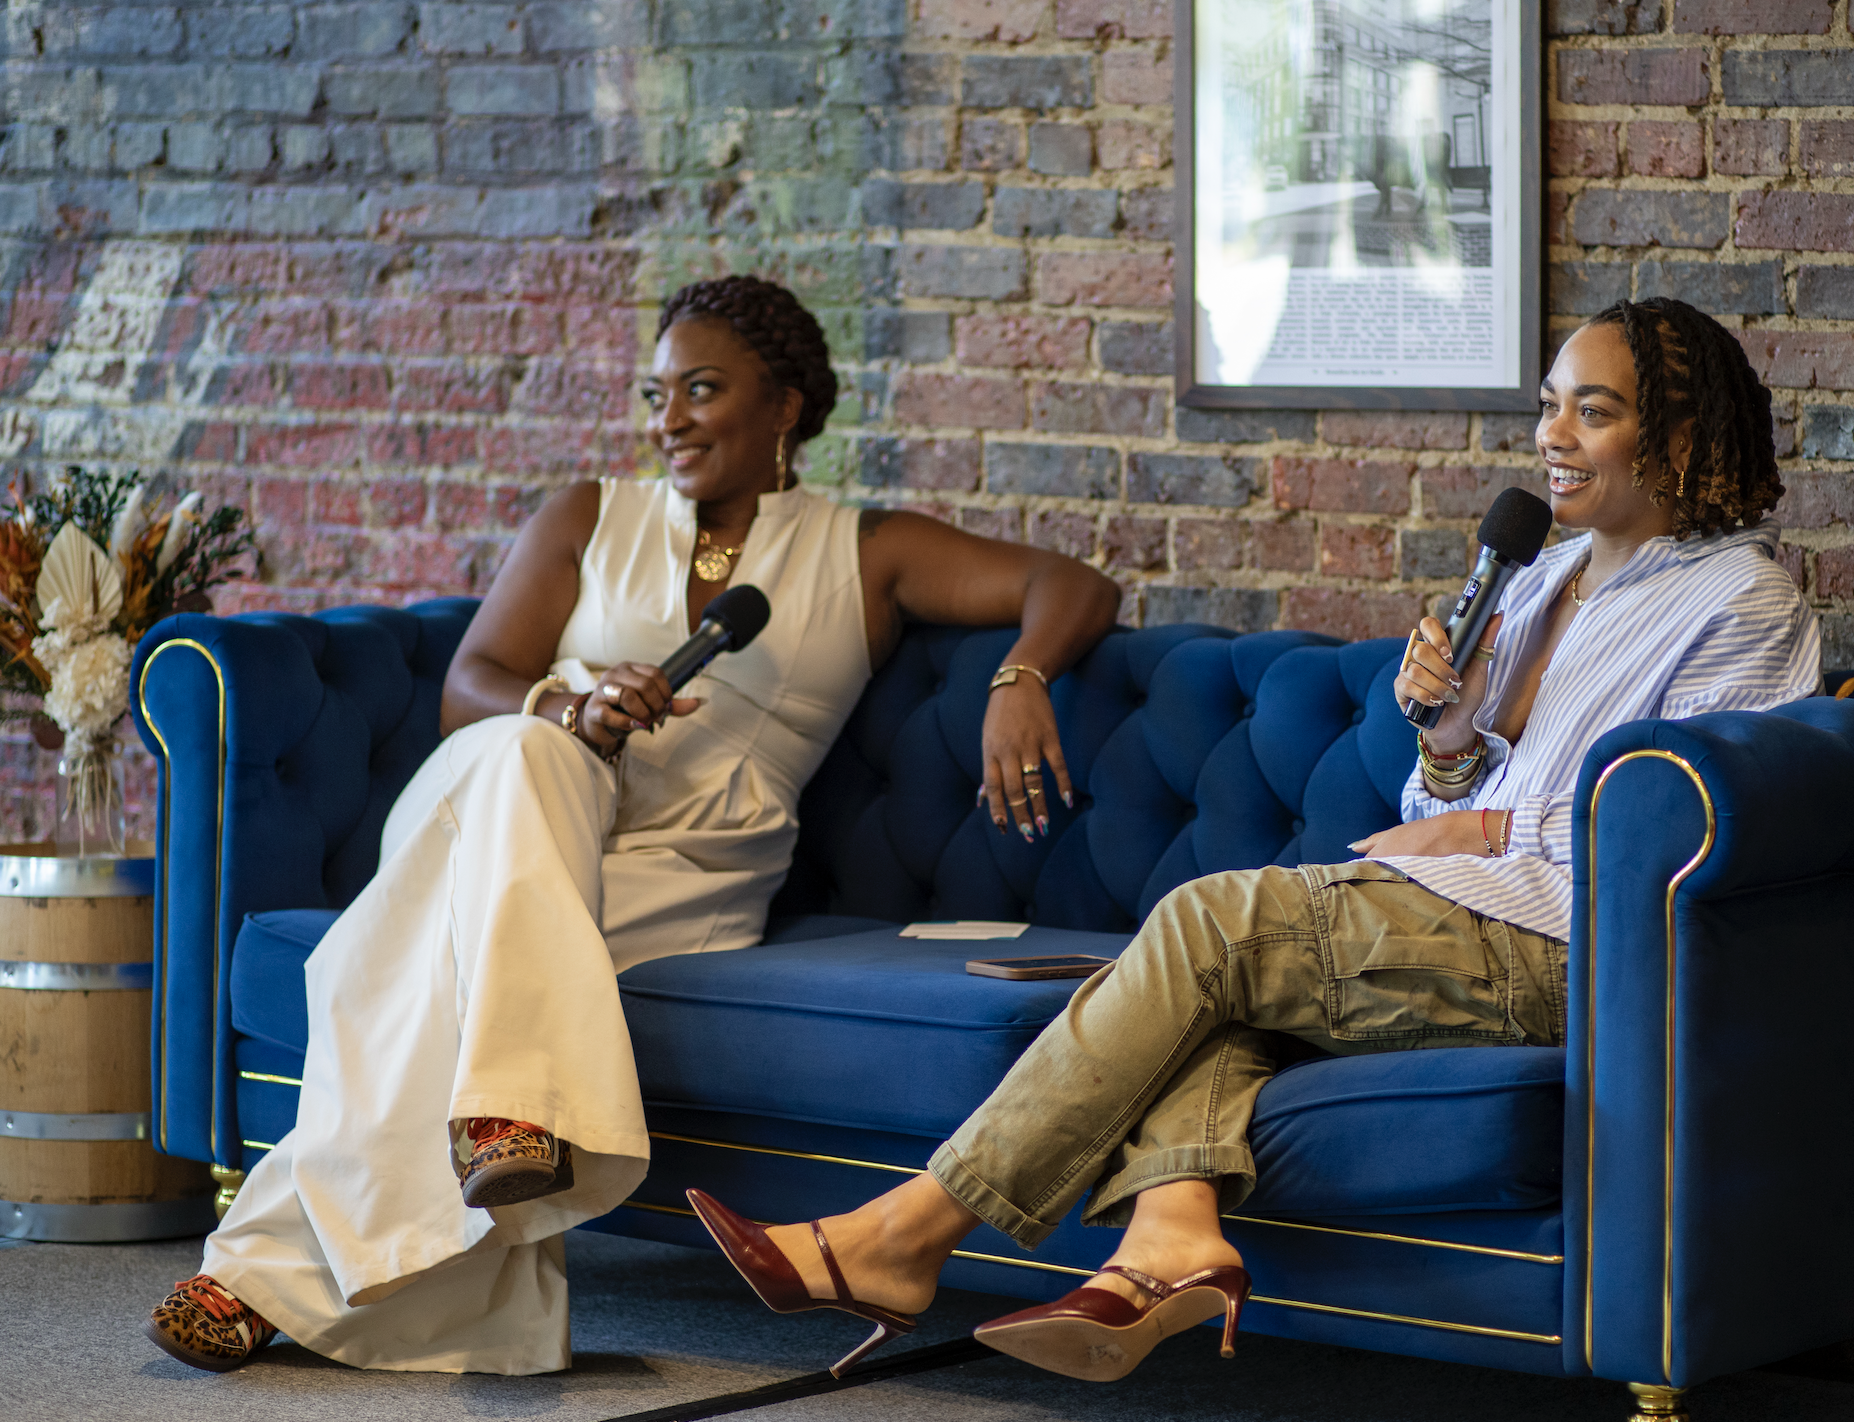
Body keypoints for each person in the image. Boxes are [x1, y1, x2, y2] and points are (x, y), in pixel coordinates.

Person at [687, 296, 1823, 1383]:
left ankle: (907, 1232)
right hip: (1477, 909)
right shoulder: (1537, 585)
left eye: (1594, 410)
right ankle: (1171, 1235)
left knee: (1209, 923)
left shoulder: (1742, 601)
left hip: (1573, 955)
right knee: (1222, 987)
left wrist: (1488, 819)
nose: (1552, 437)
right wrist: (1452, 741)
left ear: (1674, 436)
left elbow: (1675, 831)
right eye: (1548, 403)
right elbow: (1442, 818)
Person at [142, 275, 1122, 1375]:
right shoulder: (586, 516)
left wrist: (1022, 676)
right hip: (496, 801)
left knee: (435, 967)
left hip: (692, 872)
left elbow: (1069, 581)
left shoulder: (866, 549)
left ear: (785, 405)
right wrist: (570, 704)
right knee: (527, 749)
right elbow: (473, 682)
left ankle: (262, 1270)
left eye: (701, 390)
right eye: (657, 395)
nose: (669, 419)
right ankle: (506, 1120)